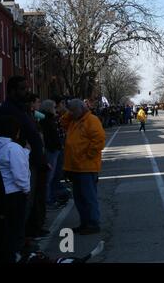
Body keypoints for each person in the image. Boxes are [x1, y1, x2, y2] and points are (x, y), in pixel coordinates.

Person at [0, 76, 48, 242]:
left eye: (26, 88)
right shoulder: (8, 110)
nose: (27, 92)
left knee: (34, 199)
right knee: (24, 203)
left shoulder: (23, 108)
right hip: (22, 159)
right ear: (12, 91)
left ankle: (31, 230)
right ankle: (21, 239)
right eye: (22, 89)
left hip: (31, 159)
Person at [61, 99, 105, 235]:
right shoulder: (74, 121)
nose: (71, 113)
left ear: (80, 109)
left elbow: (99, 140)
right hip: (75, 166)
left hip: (86, 166)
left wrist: (88, 155)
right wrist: (69, 113)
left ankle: (93, 223)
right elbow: (63, 123)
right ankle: (85, 222)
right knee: (79, 198)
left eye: (73, 111)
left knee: (88, 197)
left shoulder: (91, 120)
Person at [0, 115, 31, 263]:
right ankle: (15, 255)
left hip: (4, 193)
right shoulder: (13, 148)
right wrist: (26, 189)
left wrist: (25, 152)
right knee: (16, 228)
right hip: (15, 193)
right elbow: (19, 173)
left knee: (6, 229)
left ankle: (9, 254)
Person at [39, 100, 63, 210]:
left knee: (54, 176)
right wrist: (54, 146)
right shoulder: (45, 120)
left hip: (55, 150)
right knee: (49, 177)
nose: (55, 108)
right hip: (51, 151)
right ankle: (47, 200)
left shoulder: (51, 119)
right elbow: (48, 136)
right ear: (49, 108)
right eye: (54, 107)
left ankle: (53, 197)